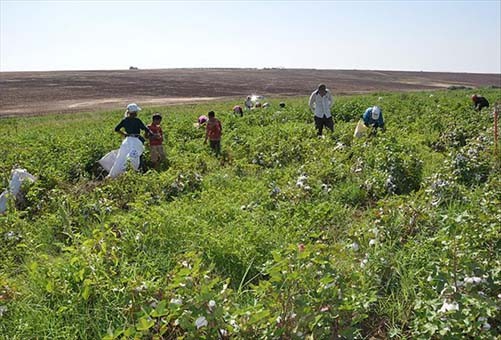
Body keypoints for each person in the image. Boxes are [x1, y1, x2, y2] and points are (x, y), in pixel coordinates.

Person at [108, 103, 153, 178]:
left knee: (122, 156)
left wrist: (124, 134)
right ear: (135, 113)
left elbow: (116, 129)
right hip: (136, 140)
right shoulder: (137, 120)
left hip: (127, 140)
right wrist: (149, 134)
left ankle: (116, 173)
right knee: (137, 155)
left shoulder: (125, 120)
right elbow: (145, 129)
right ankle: (137, 171)